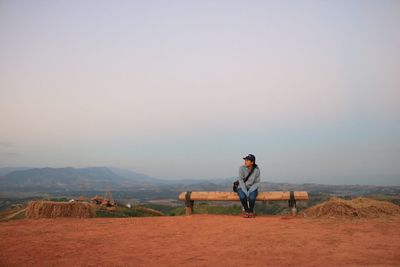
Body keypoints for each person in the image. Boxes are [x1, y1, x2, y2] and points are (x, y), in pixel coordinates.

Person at [237, 154, 260, 218]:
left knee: (252, 198)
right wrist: (245, 191)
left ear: (252, 162)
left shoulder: (257, 170)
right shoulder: (241, 168)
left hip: (252, 187)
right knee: (242, 197)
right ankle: (247, 211)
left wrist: (250, 191)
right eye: (245, 160)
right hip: (241, 187)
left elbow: (257, 182)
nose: (245, 161)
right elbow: (241, 181)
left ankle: (251, 211)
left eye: (247, 160)